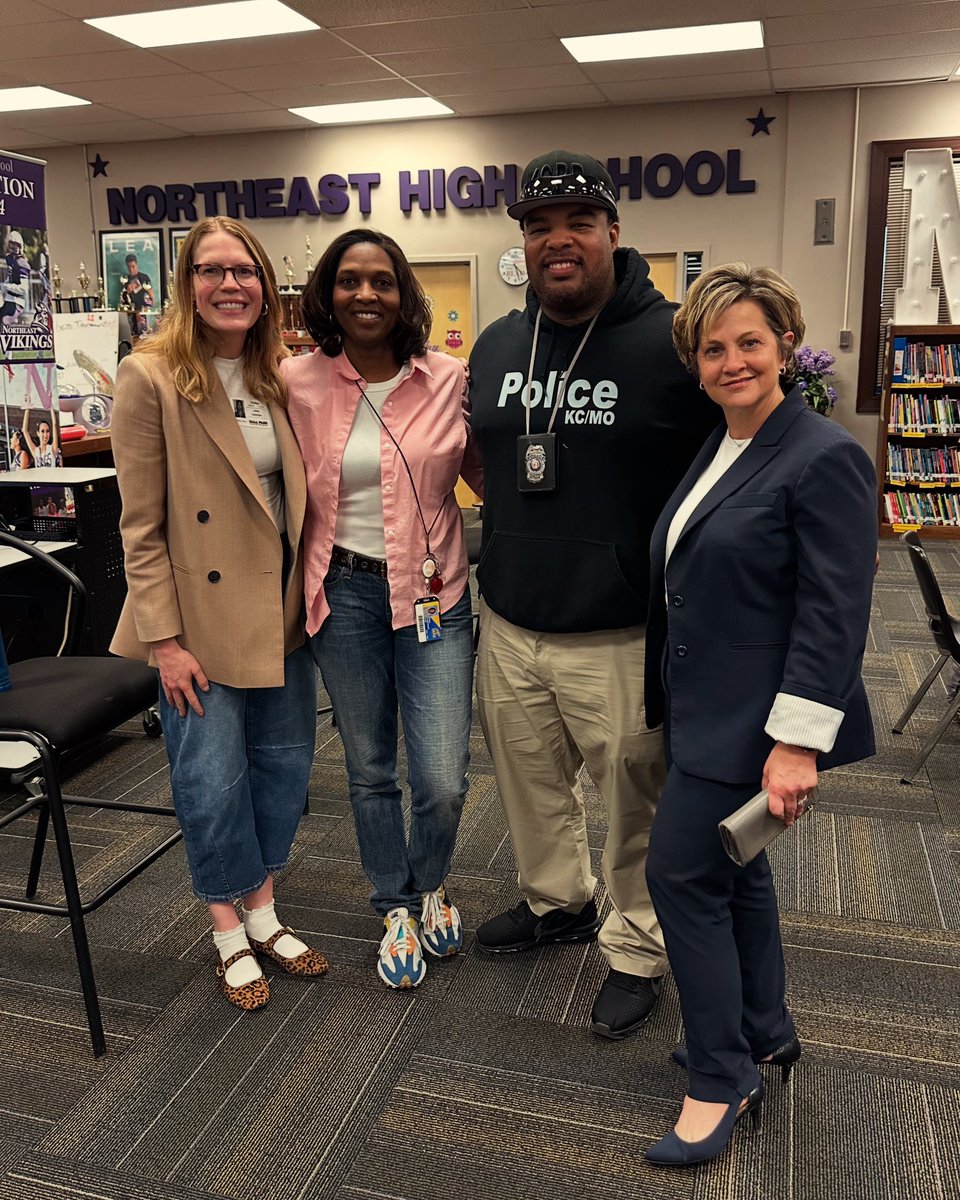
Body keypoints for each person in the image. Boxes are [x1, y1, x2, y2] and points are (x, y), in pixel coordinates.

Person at [468, 150, 718, 1038]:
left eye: (577, 222)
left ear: (614, 232)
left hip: (620, 628)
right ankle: (557, 901)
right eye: (539, 227)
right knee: (529, 785)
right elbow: (484, 461)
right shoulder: (500, 342)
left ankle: (637, 945)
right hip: (509, 617)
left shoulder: (674, 343)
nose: (557, 241)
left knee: (633, 801)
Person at [642, 263, 876, 1166]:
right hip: (705, 709)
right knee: (736, 873)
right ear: (695, 363)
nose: (732, 360)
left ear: (785, 341)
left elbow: (834, 611)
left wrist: (794, 744)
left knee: (683, 881)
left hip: (756, 721)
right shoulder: (726, 441)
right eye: (713, 347)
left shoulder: (822, 454)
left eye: (749, 341)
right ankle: (764, 1028)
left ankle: (719, 1076)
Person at [110, 216, 326, 1011]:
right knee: (210, 781)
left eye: (244, 270)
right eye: (211, 270)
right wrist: (163, 641)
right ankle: (227, 930)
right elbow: (139, 525)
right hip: (196, 620)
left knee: (283, 771)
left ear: (265, 285)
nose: (229, 284)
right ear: (187, 285)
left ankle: (264, 909)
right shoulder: (151, 375)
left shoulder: (281, 373)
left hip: (280, 611)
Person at [283, 229, 481, 990]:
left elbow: (493, 475)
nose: (366, 294)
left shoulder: (449, 379)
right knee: (369, 768)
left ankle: (431, 881)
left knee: (442, 777)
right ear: (328, 294)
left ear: (405, 295)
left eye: (383, 281)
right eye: (349, 281)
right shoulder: (297, 382)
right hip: (344, 592)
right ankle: (396, 904)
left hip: (435, 594)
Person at [20, 394, 61, 467]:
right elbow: (25, 430)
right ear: (38, 433)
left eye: (47, 431)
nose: (45, 435)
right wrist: (28, 407)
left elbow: (54, 424)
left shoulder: (53, 449)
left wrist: (50, 404)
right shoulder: (35, 451)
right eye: (42, 431)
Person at [1, 230, 31, 326]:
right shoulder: (10, 259)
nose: (14, 247)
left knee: (4, 321)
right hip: (8, 300)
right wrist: (4, 286)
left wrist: (7, 287)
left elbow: (23, 289)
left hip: (17, 302)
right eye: (12, 244)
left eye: (16, 244)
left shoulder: (22, 264)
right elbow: (10, 277)